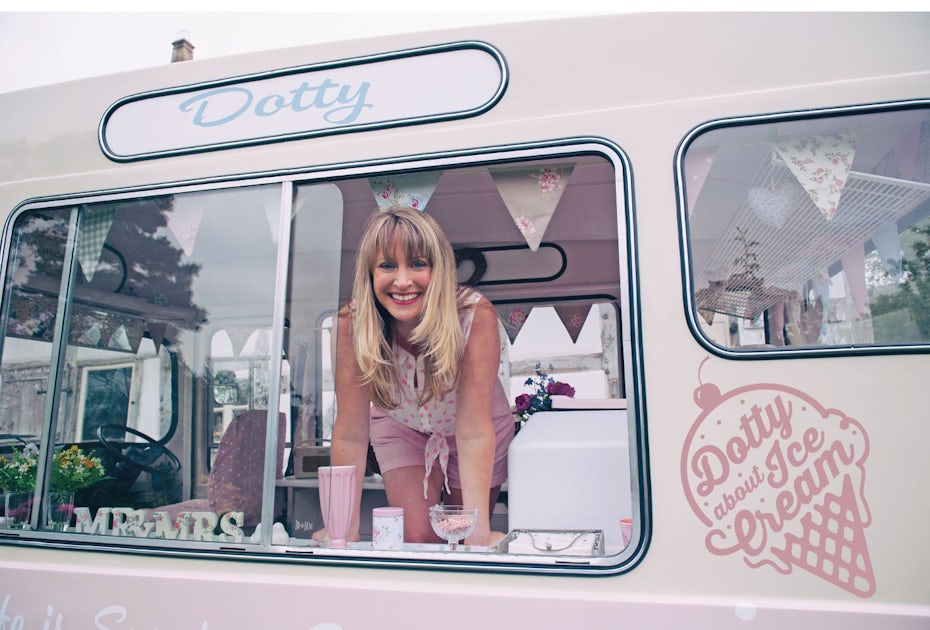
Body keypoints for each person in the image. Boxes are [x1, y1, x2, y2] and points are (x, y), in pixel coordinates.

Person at [328, 206, 514, 547]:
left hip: (473, 428)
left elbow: (473, 431)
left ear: (439, 269)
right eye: (387, 265)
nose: (402, 281)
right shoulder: (350, 324)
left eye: (417, 264)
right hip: (399, 425)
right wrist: (342, 529)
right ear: (369, 273)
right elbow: (351, 433)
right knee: (417, 537)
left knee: (464, 536)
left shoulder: (474, 315)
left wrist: (481, 534)